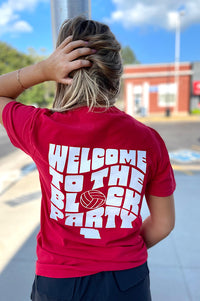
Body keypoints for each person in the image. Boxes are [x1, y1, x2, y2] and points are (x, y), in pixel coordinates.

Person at [0, 16, 176, 301]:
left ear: (62, 74)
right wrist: (120, 251)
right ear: (115, 74)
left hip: (59, 281)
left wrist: (41, 70)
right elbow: (164, 224)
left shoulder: (41, 127)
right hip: (127, 280)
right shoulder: (149, 140)